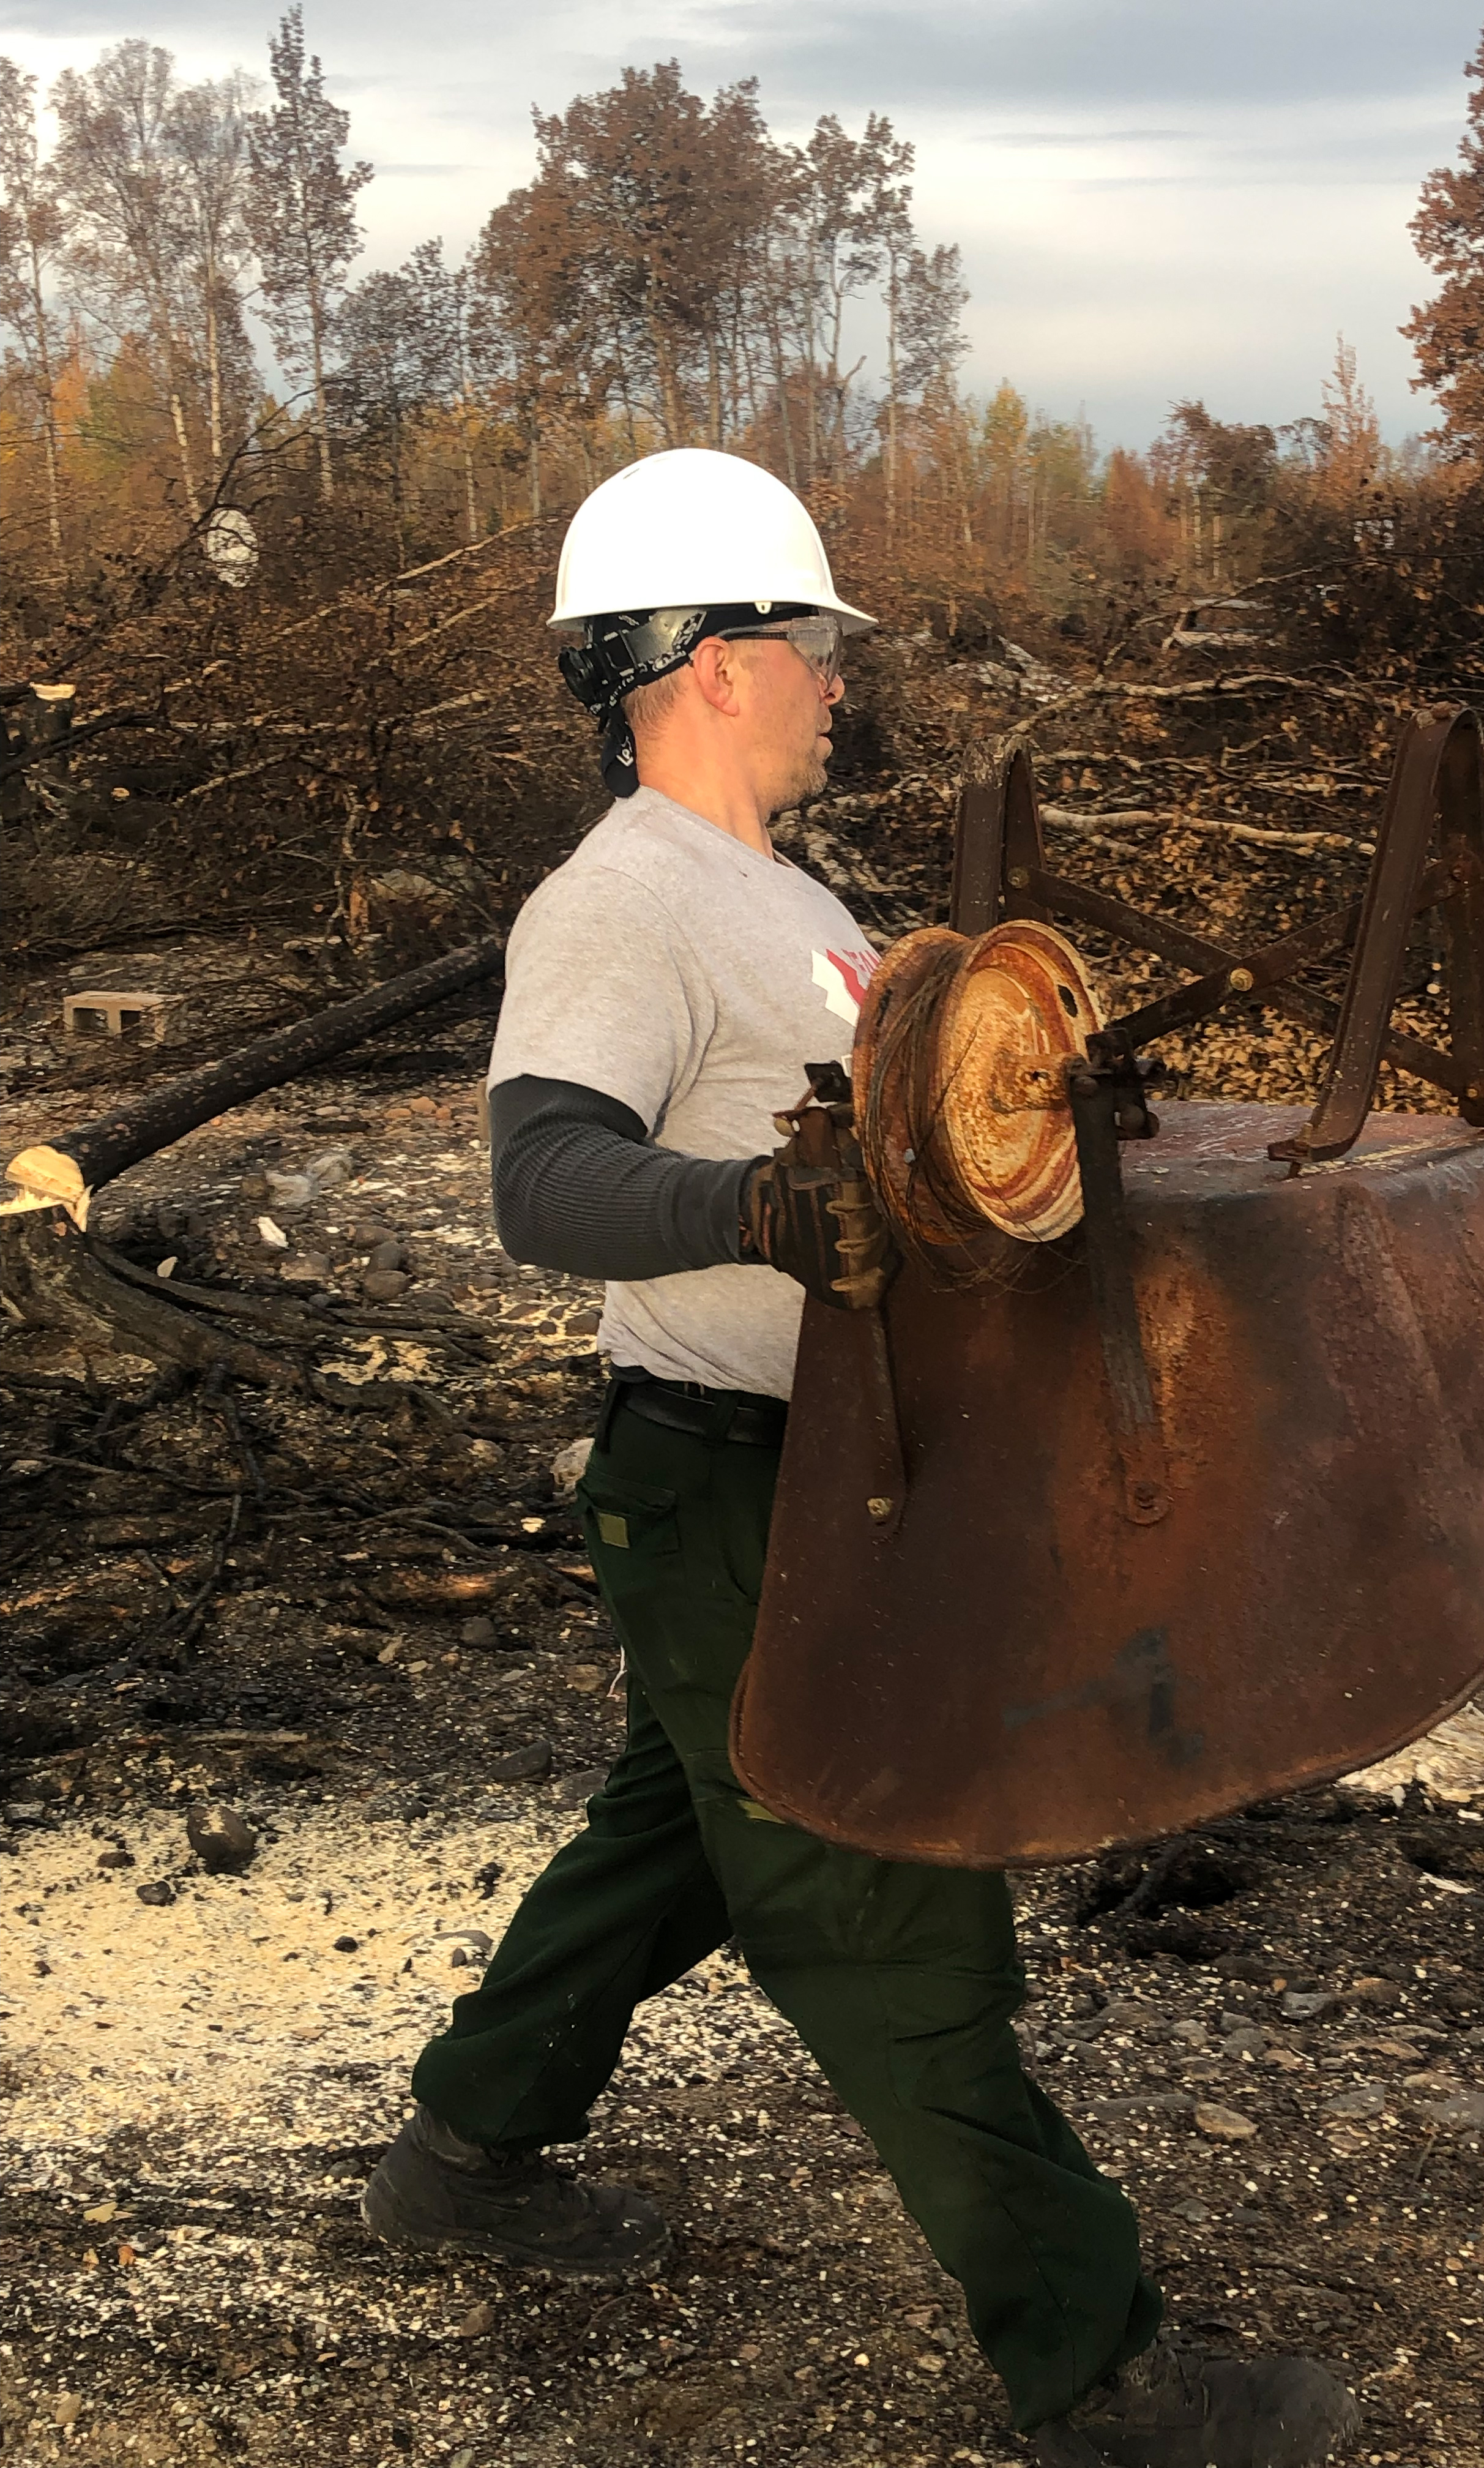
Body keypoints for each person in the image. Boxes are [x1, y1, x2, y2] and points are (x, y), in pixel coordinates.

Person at [360, 447, 1360, 2468]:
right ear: (715, 659)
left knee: (678, 1836)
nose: (838, 681)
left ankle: (464, 2149)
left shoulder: (795, 900)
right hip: (726, 1481)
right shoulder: (621, 900)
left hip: (825, 1469)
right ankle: (1101, 2371)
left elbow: (911, 1151)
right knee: (876, 1891)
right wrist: (752, 1218)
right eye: (812, 646)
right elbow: (544, 1181)